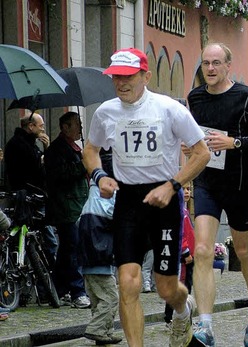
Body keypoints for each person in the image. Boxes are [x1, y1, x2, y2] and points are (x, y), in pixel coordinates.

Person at [82, 47, 210, 347]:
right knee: (128, 284)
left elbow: (202, 153)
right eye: (115, 77)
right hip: (128, 201)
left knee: (167, 289)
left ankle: (182, 307)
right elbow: (91, 150)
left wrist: (172, 186)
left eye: (128, 76)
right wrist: (100, 176)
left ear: (145, 76)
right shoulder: (106, 112)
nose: (120, 83)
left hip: (165, 200)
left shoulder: (169, 109)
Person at [186, 42, 248, 347]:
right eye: (205, 63)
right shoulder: (194, 97)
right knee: (201, 250)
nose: (210, 69)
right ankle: (206, 325)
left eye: (216, 63)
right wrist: (191, 146)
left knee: (244, 249)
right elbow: (196, 134)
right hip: (207, 181)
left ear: (227, 65)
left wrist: (234, 142)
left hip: (241, 184)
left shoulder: (247, 96)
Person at [4, 112, 58, 282]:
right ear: (31, 126)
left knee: (42, 239)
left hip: (31, 195)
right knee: (49, 240)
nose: (43, 129)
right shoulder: (19, 144)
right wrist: (43, 156)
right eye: (41, 126)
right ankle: (50, 283)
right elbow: (36, 170)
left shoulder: (28, 143)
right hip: (28, 197)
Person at [44, 111, 91, 309]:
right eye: (76, 124)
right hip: (67, 207)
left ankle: (59, 289)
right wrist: (83, 165)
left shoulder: (73, 147)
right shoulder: (56, 149)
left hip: (76, 205)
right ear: (65, 127)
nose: (80, 127)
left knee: (66, 251)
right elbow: (61, 175)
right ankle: (77, 291)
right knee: (72, 250)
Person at [78, 148, 122, 344]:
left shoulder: (93, 191)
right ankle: (97, 329)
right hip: (100, 256)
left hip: (88, 258)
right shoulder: (109, 194)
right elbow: (117, 218)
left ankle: (104, 333)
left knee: (98, 299)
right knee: (111, 298)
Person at [165, 181, 196, 326]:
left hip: (188, 256)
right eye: (183, 189)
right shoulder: (178, 211)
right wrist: (186, 252)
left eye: (188, 189)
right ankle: (172, 317)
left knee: (186, 286)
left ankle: (184, 316)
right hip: (183, 257)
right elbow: (181, 234)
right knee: (180, 286)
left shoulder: (185, 211)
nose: (187, 192)